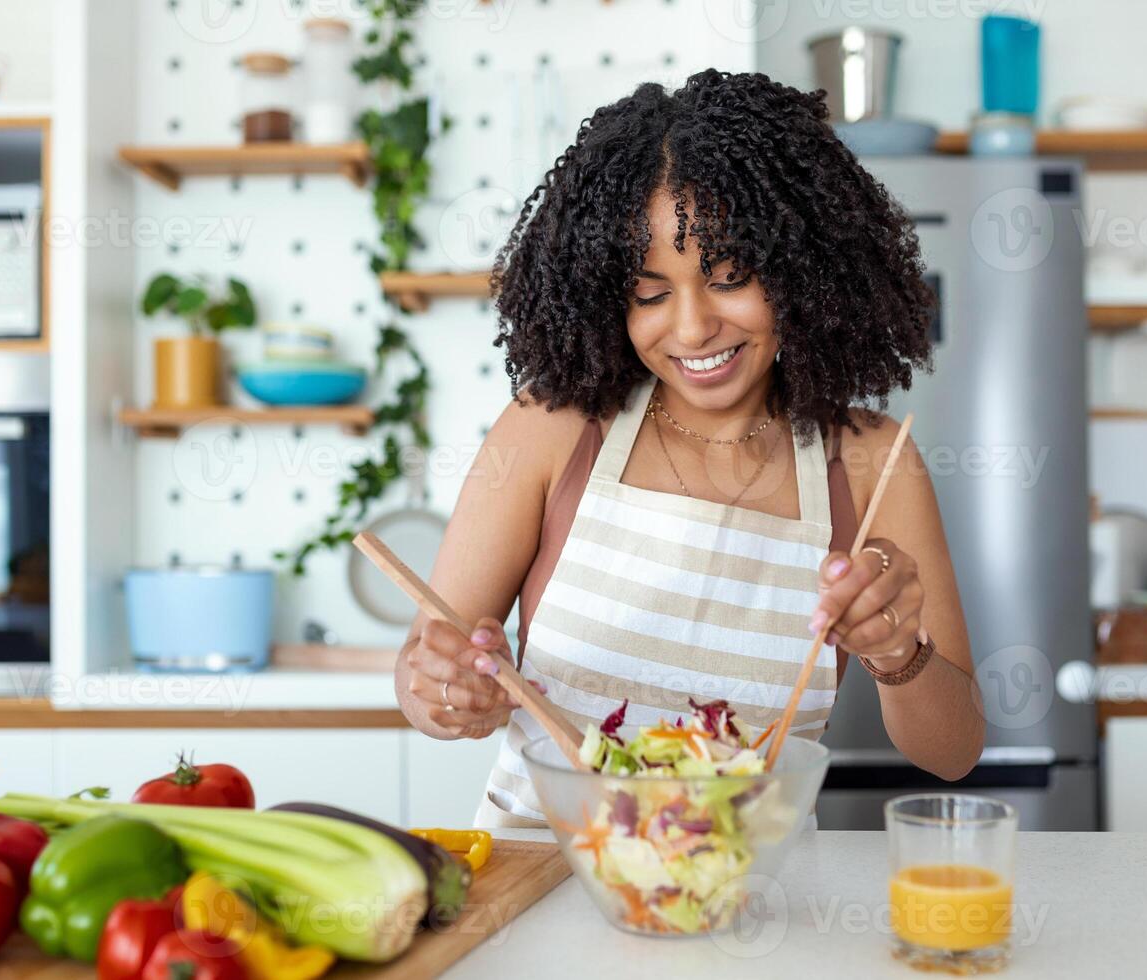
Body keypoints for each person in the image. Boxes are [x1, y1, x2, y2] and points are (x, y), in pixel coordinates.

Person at [394, 69, 984, 827]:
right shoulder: (554, 428)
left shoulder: (873, 462)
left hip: (750, 905)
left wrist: (899, 653)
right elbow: (423, 670)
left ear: (805, 268)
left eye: (731, 277)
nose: (694, 327)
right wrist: (446, 692)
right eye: (650, 293)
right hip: (540, 896)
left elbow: (955, 751)